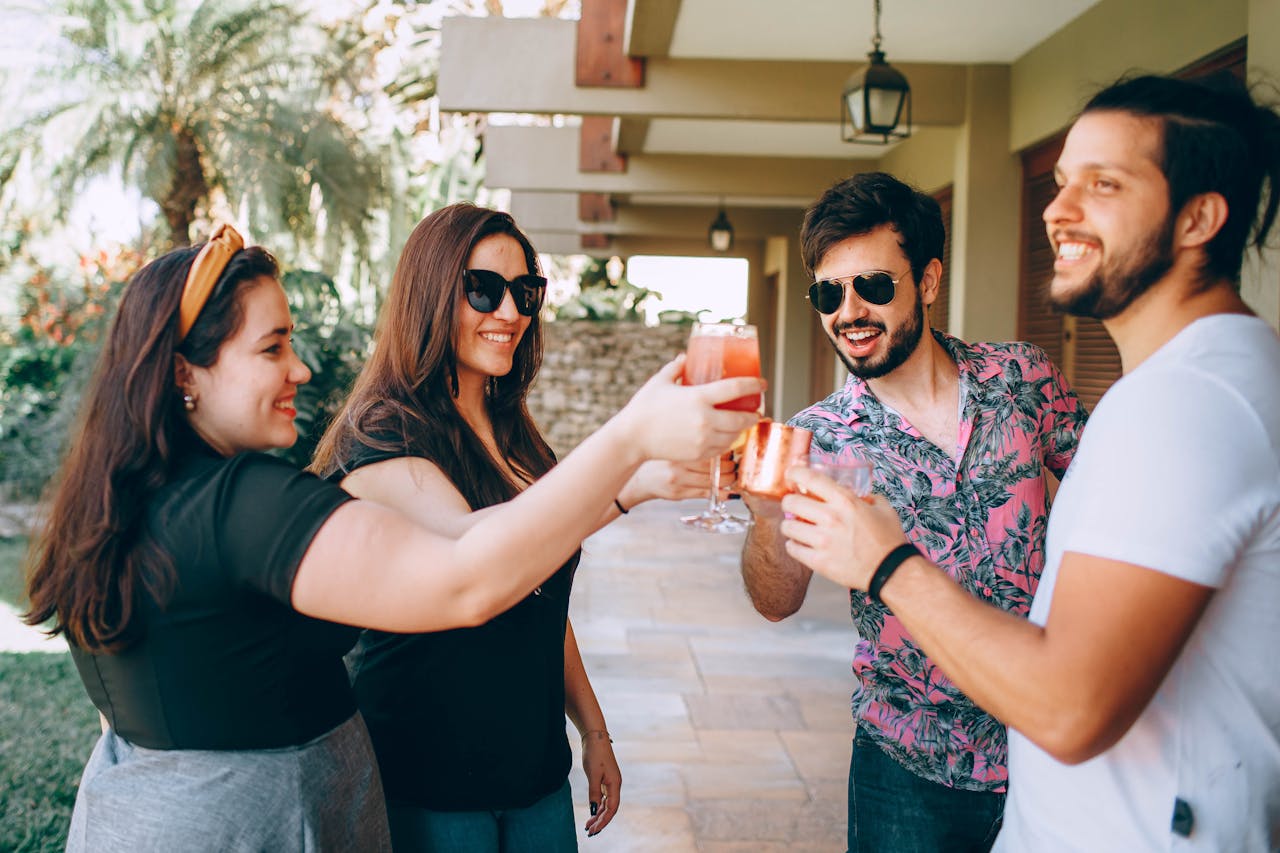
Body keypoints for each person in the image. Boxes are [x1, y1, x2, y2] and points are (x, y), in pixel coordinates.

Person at [23, 223, 762, 852]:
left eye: (526, 292)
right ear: (185, 371)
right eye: (273, 347)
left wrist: (631, 485)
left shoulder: (133, 500)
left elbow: (525, 578)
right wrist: (629, 441)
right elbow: (469, 574)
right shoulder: (248, 502)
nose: (301, 368)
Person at [780, 73, 1280, 851]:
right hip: (917, 760)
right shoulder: (1174, 391)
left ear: (1199, 219)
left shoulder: (1184, 404)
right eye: (1060, 182)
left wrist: (885, 562)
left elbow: (1069, 706)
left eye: (1103, 183)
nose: (1056, 210)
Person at [309, 203, 731, 851]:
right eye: (484, 289)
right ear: (430, 294)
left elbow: (540, 597)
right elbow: (485, 558)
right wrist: (626, 453)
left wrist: (593, 730)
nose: (510, 312)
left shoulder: (518, 439)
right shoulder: (382, 436)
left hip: (534, 780)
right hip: (431, 787)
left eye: (526, 291)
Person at [740, 171, 1088, 852]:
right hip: (904, 764)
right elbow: (777, 600)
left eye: (873, 285)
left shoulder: (1022, 379)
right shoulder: (818, 436)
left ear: (927, 281)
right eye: (828, 293)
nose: (849, 311)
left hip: (1048, 740)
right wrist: (765, 520)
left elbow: (1109, 496)